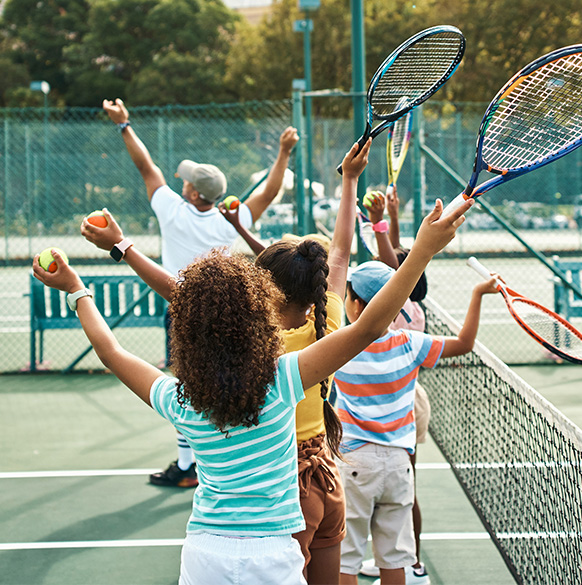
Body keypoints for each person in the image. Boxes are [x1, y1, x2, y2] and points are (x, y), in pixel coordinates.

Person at [34, 193, 472, 585]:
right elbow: (372, 324)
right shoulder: (284, 380)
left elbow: (111, 352)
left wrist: (76, 288)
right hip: (273, 552)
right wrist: (422, 250)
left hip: (205, 553)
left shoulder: (180, 401)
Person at [84, 141, 374, 584]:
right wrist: (350, 180)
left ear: (261, 295)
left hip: (283, 489)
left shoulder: (261, 350)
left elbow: (181, 295)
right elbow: (339, 254)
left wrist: (121, 247)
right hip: (326, 474)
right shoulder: (327, 321)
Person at [103, 97, 299, 488]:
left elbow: (147, 167)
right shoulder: (235, 219)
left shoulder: (172, 211)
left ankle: (189, 463)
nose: (182, 181)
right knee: (231, 382)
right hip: (229, 311)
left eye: (187, 181)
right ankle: (212, 458)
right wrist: (283, 153)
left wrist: (124, 125)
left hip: (181, 307)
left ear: (194, 194)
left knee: (187, 384)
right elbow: (272, 190)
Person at [335, 262, 499, 585]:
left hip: (354, 463)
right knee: (394, 560)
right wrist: (479, 294)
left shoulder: (339, 346)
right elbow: (464, 343)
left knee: (347, 560)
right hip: (398, 465)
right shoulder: (411, 343)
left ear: (354, 304)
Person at [357, 190, 431, 583]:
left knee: (399, 491)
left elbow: (394, 264)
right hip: (407, 400)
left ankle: (410, 564)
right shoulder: (413, 304)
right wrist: (390, 218)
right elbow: (400, 260)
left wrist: (378, 221)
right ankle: (403, 562)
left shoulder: (393, 306)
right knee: (399, 488)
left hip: (398, 407)